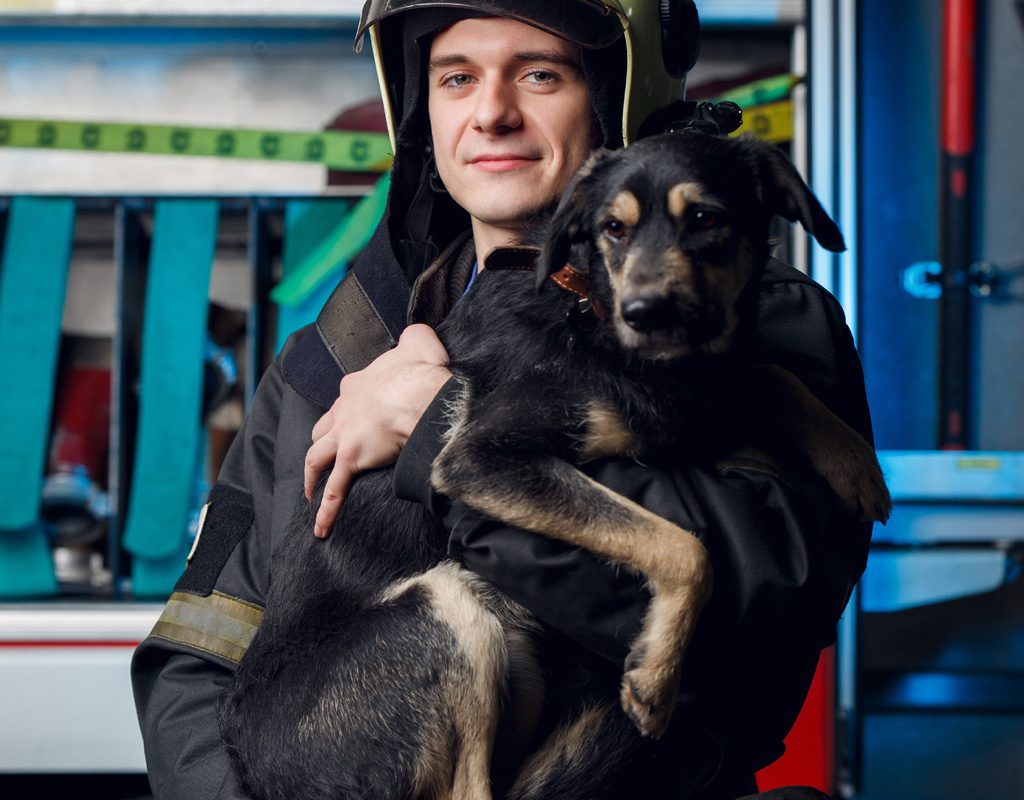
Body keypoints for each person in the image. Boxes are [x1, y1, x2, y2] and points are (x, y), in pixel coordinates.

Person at [131, 2, 874, 798]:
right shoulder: (337, 354)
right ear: (420, 107)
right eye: (457, 78)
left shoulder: (756, 325)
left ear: (615, 91)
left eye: (539, 74)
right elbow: (201, 649)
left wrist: (433, 435)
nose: (491, 113)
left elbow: (762, 609)